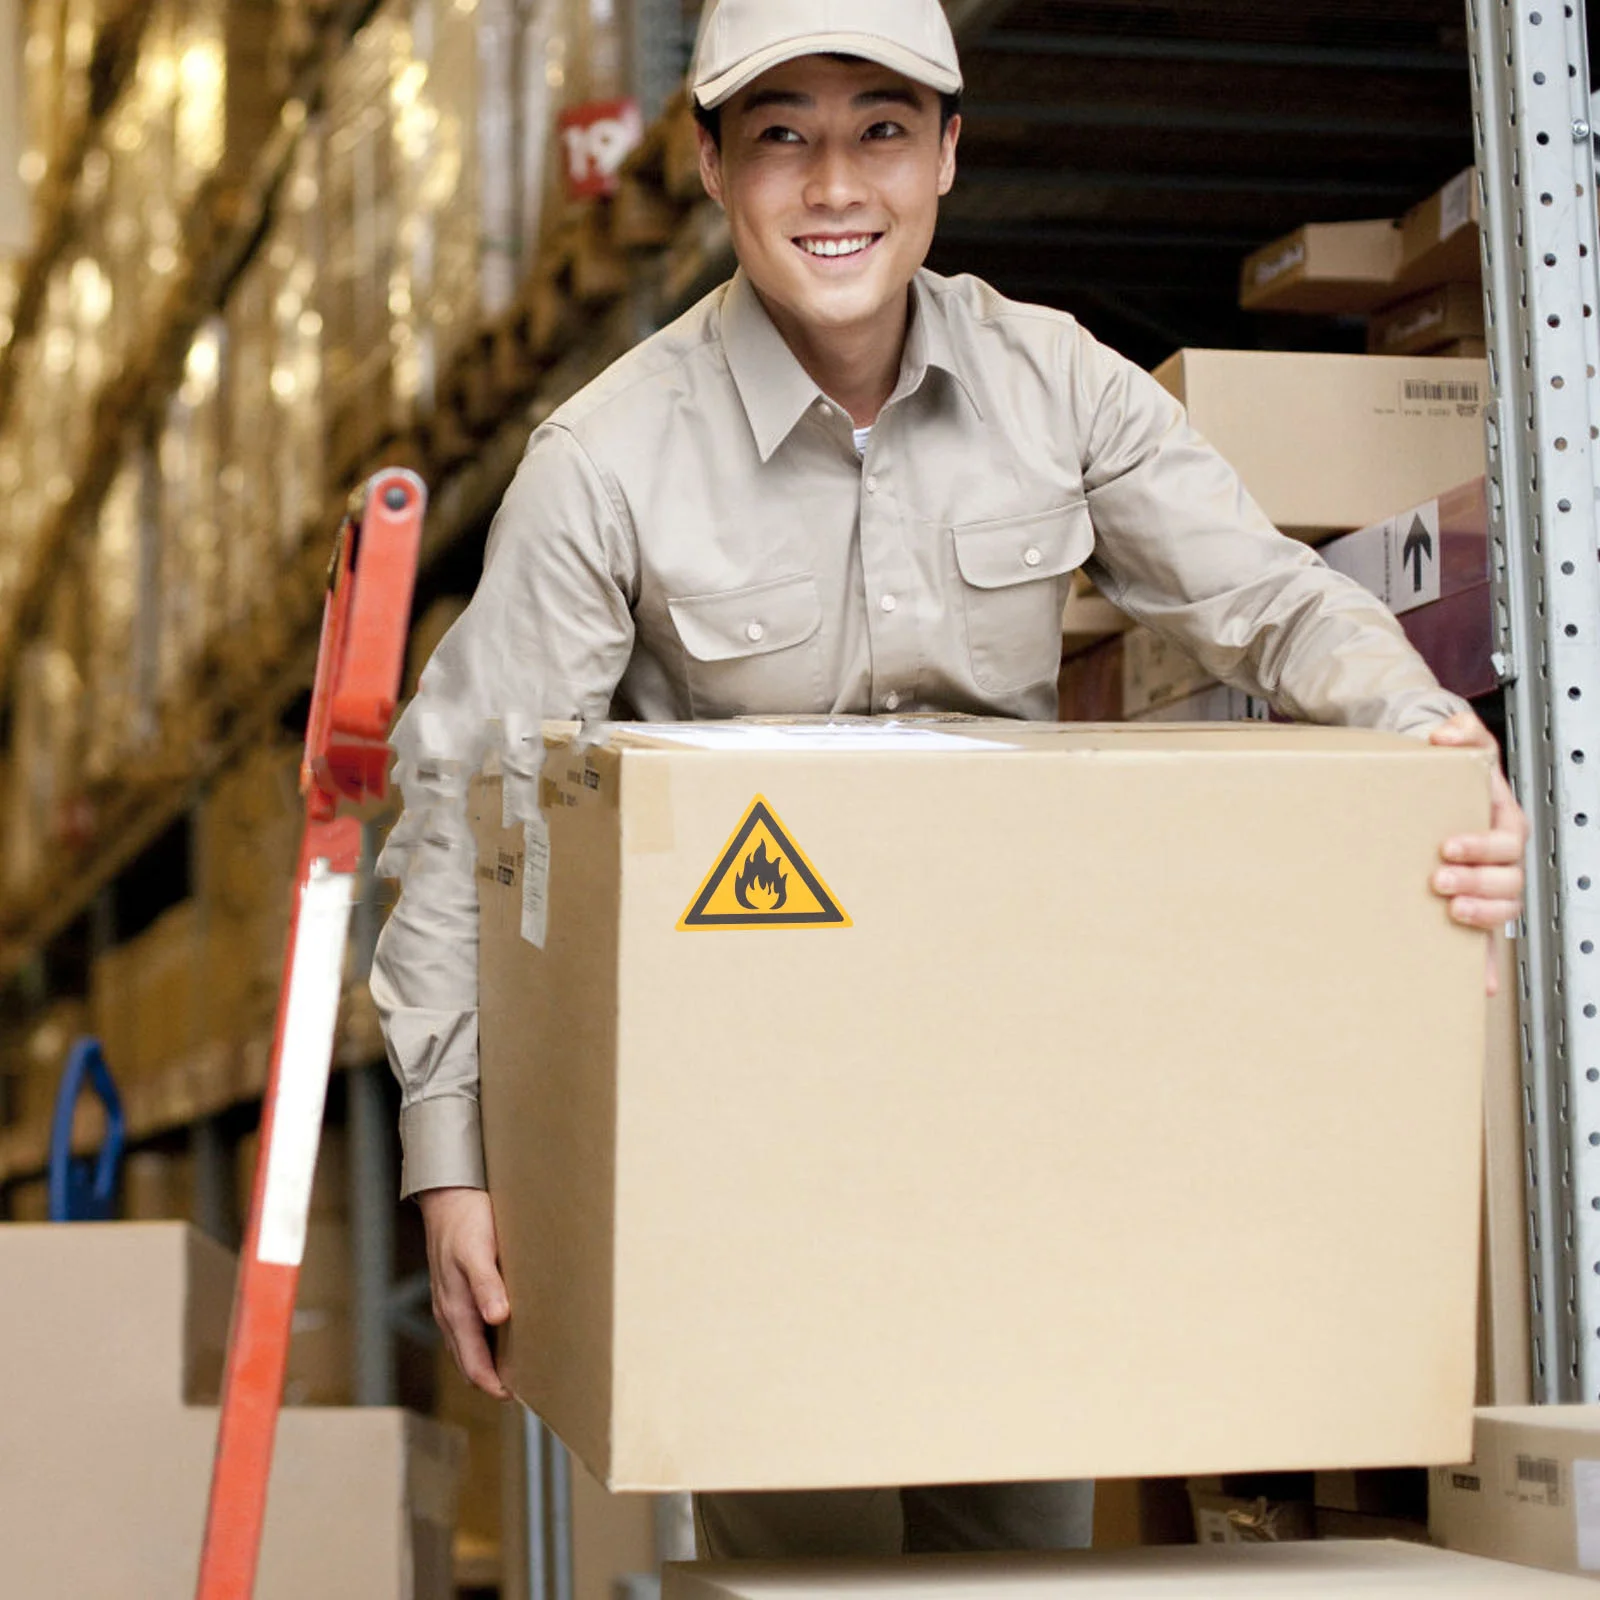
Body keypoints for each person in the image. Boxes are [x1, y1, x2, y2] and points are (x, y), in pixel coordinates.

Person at [372, 0, 1529, 1563]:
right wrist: (453, 1157)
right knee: (807, 1568)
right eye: (781, 134)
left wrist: (1427, 741)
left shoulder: (1060, 387)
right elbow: (462, 803)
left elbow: (1266, 597)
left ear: (949, 156)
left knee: (1017, 1562)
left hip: (1003, 1092)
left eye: (882, 130)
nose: (835, 182)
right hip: (747, 1116)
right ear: (712, 166)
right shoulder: (610, 459)